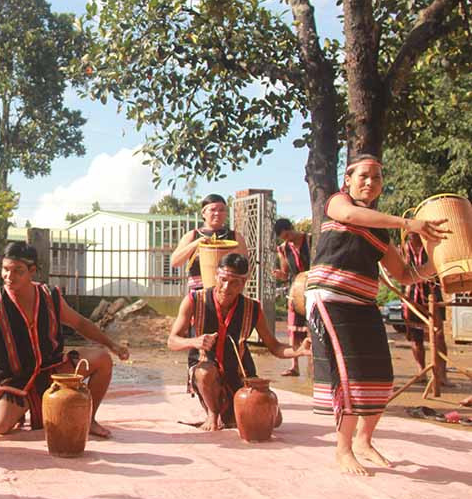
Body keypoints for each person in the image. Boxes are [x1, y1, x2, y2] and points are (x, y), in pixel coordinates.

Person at [304, 154, 447, 476]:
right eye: (364, 176)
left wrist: (442, 262)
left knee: (381, 376)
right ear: (348, 180)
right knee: (350, 375)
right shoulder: (338, 202)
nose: (370, 183)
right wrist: (408, 223)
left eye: (377, 178)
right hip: (330, 298)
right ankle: (342, 450)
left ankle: (364, 441)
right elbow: (351, 214)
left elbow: (405, 274)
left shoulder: (380, 231)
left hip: (363, 304)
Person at [0, 242, 129, 438]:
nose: (9, 277)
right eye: (5, 270)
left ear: (32, 271)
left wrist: (112, 345)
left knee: (102, 359)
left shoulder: (49, 296)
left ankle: (88, 419)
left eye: (18, 271)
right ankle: (28, 408)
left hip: (55, 371)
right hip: (18, 379)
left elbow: (80, 323)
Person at [167, 253, 311, 431]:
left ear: (243, 283)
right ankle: (212, 415)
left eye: (234, 282)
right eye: (223, 279)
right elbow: (172, 341)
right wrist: (195, 342)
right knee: (205, 372)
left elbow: (274, 346)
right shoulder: (194, 300)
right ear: (216, 276)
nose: (226, 287)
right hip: (206, 371)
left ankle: (231, 413)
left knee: (273, 420)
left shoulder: (253, 307)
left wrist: (298, 351)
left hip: (240, 374)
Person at [169, 194, 248, 291]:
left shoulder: (235, 237)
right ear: (203, 213)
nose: (217, 213)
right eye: (213, 210)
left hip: (227, 292)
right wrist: (196, 244)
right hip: (199, 292)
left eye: (221, 210)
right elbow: (175, 262)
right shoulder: (192, 236)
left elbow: (246, 267)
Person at [402, 233, 452, 386]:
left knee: (438, 335)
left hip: (432, 294)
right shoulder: (405, 247)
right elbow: (402, 269)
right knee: (416, 337)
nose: (410, 235)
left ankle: (441, 375)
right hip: (411, 296)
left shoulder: (431, 246)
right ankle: (421, 371)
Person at [272, 218, 311, 376]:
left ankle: (314, 364)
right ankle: (294, 366)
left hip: (313, 286)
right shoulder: (283, 249)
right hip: (296, 290)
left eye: (288, 235)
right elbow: (285, 273)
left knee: (313, 328)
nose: (287, 239)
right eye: (284, 237)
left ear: (292, 228)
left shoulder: (310, 239)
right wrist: (280, 275)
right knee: (294, 329)